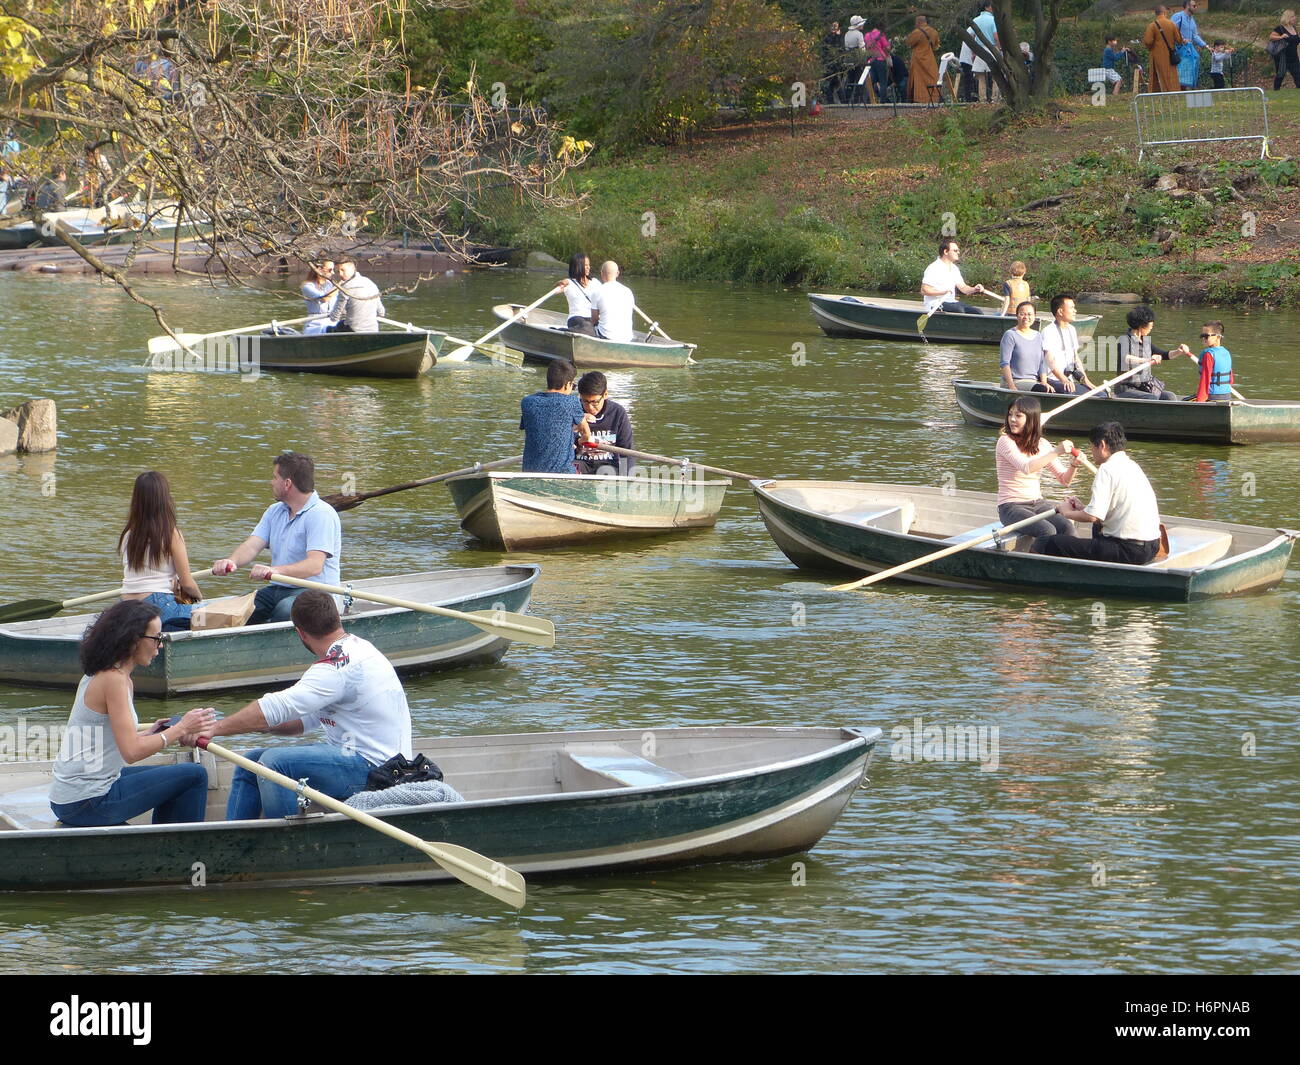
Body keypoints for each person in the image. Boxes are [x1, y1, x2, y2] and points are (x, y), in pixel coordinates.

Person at [199, 592, 413, 820]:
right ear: (337, 618)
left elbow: (276, 706)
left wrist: (214, 729)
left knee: (273, 764)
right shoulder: (358, 647)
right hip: (353, 756)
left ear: (299, 633)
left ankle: (283, 846)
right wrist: (257, 724)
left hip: (379, 769)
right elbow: (304, 721)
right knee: (250, 762)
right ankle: (235, 841)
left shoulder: (336, 667)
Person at [47, 600, 214, 827]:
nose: (160, 646)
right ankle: (179, 851)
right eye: (156, 638)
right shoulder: (114, 680)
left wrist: (152, 733)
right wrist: (181, 729)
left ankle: (164, 842)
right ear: (133, 640)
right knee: (194, 775)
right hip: (87, 801)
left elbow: (114, 742)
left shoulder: (107, 673)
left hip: (71, 797)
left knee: (175, 776)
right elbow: (131, 753)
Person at [211, 451, 342, 625]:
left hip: (316, 594)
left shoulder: (321, 514)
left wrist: (275, 571)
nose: (271, 482)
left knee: (284, 611)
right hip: (278, 588)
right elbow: (252, 546)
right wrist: (231, 561)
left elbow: (314, 565)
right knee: (236, 611)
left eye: (274, 477)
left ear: (287, 483)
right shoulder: (274, 511)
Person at [1037, 422, 1162, 565]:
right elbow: (1103, 512)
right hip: (1152, 546)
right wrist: (1082, 508)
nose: (1091, 450)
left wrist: (1066, 512)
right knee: (1097, 527)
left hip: (1131, 551)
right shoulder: (1132, 465)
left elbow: (1091, 517)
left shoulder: (1106, 469)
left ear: (1102, 445)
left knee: (1053, 542)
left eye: (1092, 446)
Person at [118, 471, 203, 632]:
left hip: (126, 605)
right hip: (158, 604)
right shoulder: (171, 533)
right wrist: (199, 599)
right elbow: (187, 583)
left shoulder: (128, 534)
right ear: (165, 499)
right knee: (211, 613)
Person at [995, 396, 1079, 542]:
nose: (1012, 419)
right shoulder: (1005, 441)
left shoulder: (1043, 444)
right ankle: (1039, 562)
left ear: (1031, 419)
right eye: (1010, 414)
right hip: (1011, 507)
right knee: (1047, 530)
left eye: (1018, 416)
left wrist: (1074, 465)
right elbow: (1026, 467)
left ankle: (1072, 562)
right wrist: (1056, 451)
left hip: (1038, 504)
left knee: (1067, 527)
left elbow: (1064, 480)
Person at [520, 360, 594, 473]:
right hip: (562, 473)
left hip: (530, 472)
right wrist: (577, 442)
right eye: (573, 386)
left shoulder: (527, 402)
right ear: (567, 384)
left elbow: (541, 429)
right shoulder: (571, 402)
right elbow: (587, 435)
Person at [1113, 305, 1190, 401]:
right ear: (1141, 325)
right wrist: (1147, 360)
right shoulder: (1124, 339)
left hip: (1143, 387)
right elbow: (1125, 358)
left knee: (1170, 397)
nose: (1151, 328)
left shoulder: (1145, 341)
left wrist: (1178, 352)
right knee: (1151, 398)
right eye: (1150, 325)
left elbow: (1164, 355)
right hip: (1126, 389)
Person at [575, 372, 635, 475]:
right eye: (585, 401)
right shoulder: (573, 411)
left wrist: (627, 479)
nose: (590, 407)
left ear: (605, 394)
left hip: (608, 465)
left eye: (595, 402)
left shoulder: (618, 412)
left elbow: (627, 450)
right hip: (580, 464)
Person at [1040, 295, 1097, 395]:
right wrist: (1063, 379)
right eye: (1071, 308)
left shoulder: (1072, 329)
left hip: (1069, 379)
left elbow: (1076, 358)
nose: (1075, 311)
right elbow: (1049, 360)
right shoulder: (1048, 331)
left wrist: (1086, 381)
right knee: (1071, 392)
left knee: (1100, 393)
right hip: (1053, 379)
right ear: (1060, 311)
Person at [921, 238, 988, 315]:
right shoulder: (933, 267)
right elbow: (924, 290)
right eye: (955, 251)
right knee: (959, 310)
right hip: (934, 303)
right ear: (946, 252)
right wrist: (943, 292)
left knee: (977, 312)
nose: (958, 252)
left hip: (952, 302)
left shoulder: (954, 268)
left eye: (958, 250)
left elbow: (963, 288)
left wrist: (975, 289)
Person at [999, 302, 1050, 392]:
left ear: (1034, 316)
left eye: (1029, 314)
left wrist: (1044, 382)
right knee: (1042, 389)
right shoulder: (1010, 335)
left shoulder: (1038, 335)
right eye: (1022, 314)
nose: (1026, 317)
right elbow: (1004, 364)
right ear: (1017, 316)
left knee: (1053, 388)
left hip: (1033, 381)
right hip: (1015, 381)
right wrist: (1011, 386)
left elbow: (1042, 362)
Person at [328, 256, 385, 333]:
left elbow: (334, 317)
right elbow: (381, 313)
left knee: (329, 328)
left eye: (343, 270)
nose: (340, 274)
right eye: (338, 271)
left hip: (353, 330)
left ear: (353, 268)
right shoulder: (371, 284)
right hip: (373, 330)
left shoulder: (345, 288)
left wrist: (333, 314)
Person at [1143, 6, 1185, 93]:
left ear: (1156, 14)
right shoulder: (1171, 24)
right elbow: (1179, 40)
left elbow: (1147, 41)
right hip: (1170, 55)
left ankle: (1157, 92)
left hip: (1157, 55)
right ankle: (1174, 90)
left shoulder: (1152, 25)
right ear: (1165, 12)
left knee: (1158, 74)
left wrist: (1151, 48)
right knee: (1172, 74)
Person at [1189, 321, 1233, 403]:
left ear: (1218, 337)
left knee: (1184, 401)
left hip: (1212, 397)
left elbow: (1205, 380)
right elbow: (1231, 380)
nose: (1203, 339)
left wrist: (1200, 401)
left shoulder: (1208, 355)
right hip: (1227, 396)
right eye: (1202, 336)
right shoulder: (1226, 352)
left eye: (1206, 336)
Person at [557, 252, 601, 334]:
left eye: (589, 265)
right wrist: (561, 283)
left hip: (593, 319)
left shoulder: (595, 282)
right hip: (576, 318)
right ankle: (564, 332)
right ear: (578, 266)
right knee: (587, 327)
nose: (588, 267)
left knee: (595, 327)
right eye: (585, 265)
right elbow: (557, 289)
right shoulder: (569, 283)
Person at [591, 260, 634, 342]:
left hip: (606, 336)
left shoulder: (597, 291)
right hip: (627, 337)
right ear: (617, 273)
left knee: (586, 325)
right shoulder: (628, 291)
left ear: (601, 273)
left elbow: (594, 320)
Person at [1171, 0, 1208, 89]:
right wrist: (1182, 39)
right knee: (1179, 72)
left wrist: (1205, 45)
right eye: (1194, 6)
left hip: (1188, 51)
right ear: (1188, 6)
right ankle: (1176, 90)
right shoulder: (1178, 16)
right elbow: (1171, 30)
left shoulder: (1192, 20)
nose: (1196, 8)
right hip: (1178, 50)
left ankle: (1184, 90)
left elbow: (1195, 36)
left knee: (1186, 72)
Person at [969, 1, 1000, 103]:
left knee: (980, 76)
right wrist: (1000, 49)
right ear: (987, 7)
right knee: (996, 75)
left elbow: (971, 36)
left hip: (980, 49)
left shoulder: (975, 20)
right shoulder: (993, 19)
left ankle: (982, 99)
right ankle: (995, 99)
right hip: (992, 48)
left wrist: (974, 51)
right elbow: (996, 37)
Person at [907, 16, 942, 104]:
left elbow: (909, 42)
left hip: (918, 60)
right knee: (932, 78)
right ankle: (934, 98)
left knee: (919, 80)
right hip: (930, 59)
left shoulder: (916, 32)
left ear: (919, 22)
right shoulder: (933, 32)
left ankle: (919, 99)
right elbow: (936, 45)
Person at [301, 260, 338, 334]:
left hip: (332, 320)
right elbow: (324, 298)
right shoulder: (307, 286)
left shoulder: (330, 284)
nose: (333, 273)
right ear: (319, 269)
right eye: (330, 270)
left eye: (333, 270)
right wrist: (340, 286)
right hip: (316, 322)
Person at [1270, 13, 1300, 90]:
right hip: (1282, 57)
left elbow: (1294, 40)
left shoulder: (1293, 28)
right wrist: (1281, 36)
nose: (1295, 18)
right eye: (1292, 16)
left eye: (1294, 16)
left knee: (1298, 75)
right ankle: (1276, 91)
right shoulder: (1280, 28)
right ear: (1287, 17)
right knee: (1280, 75)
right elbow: (1272, 37)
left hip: (1294, 57)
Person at [844, 16, 868, 104]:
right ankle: (857, 100)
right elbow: (862, 48)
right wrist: (864, 59)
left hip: (848, 59)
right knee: (859, 80)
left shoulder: (847, 34)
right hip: (857, 60)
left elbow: (846, 47)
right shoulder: (859, 34)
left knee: (850, 80)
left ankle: (846, 100)